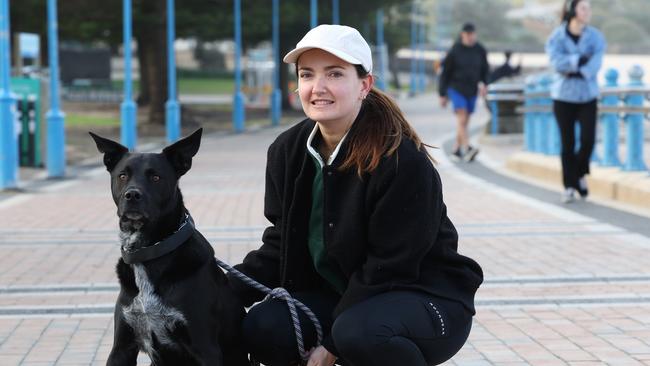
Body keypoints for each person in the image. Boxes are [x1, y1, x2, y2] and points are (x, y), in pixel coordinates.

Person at [227, 24, 483, 366]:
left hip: (424, 298)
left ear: (364, 85)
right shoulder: (287, 151)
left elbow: (391, 267)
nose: (318, 88)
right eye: (307, 75)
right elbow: (280, 245)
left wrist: (331, 346)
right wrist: (215, 289)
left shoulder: (401, 160)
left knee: (357, 335)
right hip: (347, 299)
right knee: (265, 324)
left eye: (334, 74)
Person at [546, 0, 605, 203]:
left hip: (588, 95)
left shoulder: (596, 36)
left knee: (588, 140)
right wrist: (579, 60)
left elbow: (596, 63)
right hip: (563, 96)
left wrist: (573, 65)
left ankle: (579, 173)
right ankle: (570, 186)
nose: (588, 12)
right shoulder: (557, 36)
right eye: (583, 8)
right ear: (573, 10)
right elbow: (556, 63)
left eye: (589, 8)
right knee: (567, 143)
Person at [438, 22, 489, 163]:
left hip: (472, 89)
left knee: (465, 121)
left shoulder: (480, 50)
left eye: (472, 35)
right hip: (456, 88)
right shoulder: (455, 50)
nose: (470, 38)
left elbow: (485, 69)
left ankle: (456, 149)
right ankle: (467, 149)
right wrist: (442, 94)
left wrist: (485, 84)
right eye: (467, 35)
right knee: (461, 117)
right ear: (462, 35)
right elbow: (445, 73)